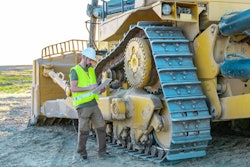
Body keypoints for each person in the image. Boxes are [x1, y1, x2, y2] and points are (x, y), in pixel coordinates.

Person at [69, 47, 111, 163]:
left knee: (101, 127)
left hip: (93, 103)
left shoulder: (91, 70)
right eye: (89, 60)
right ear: (84, 57)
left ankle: (102, 152)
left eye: (92, 60)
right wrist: (89, 88)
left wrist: (99, 89)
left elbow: (93, 86)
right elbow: (73, 88)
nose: (91, 62)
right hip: (82, 105)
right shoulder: (75, 70)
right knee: (84, 130)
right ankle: (82, 154)